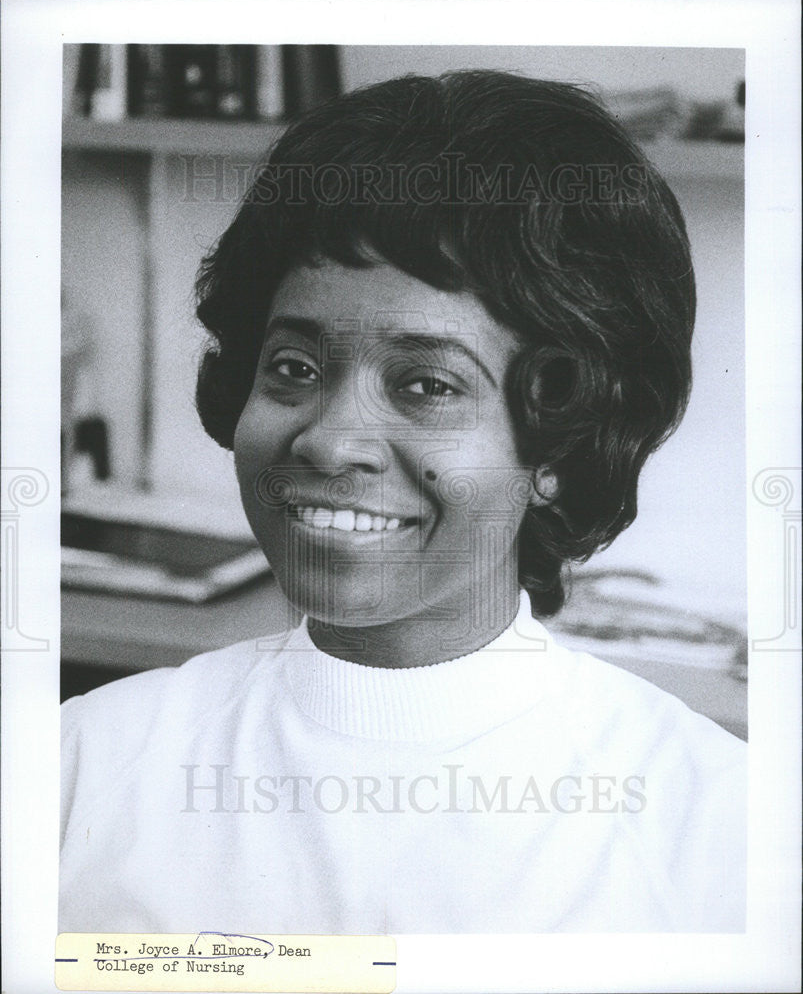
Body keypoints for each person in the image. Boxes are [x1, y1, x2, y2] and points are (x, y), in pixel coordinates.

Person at [60, 70, 745, 933]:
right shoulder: (79, 769)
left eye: (426, 384)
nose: (329, 439)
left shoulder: (718, 838)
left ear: (561, 446)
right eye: (295, 369)